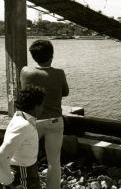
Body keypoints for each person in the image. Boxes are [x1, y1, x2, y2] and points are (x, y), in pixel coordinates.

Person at [20, 40, 69, 189]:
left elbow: (24, 92)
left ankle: (31, 184)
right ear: (52, 56)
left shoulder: (25, 72)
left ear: (34, 56)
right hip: (55, 121)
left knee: (28, 157)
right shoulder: (59, 73)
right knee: (54, 161)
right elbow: (65, 92)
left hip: (34, 122)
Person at [0, 86, 45, 189]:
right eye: (42, 105)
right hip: (23, 173)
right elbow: (2, 154)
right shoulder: (22, 125)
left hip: (29, 169)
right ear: (35, 106)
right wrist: (7, 181)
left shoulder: (22, 118)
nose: (43, 108)